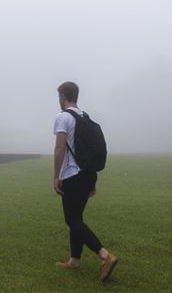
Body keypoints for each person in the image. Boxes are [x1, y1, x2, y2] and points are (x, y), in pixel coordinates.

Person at [53, 81, 118, 282]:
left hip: (73, 176)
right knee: (77, 218)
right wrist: (92, 181)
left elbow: (60, 148)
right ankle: (74, 260)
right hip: (89, 174)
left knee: (72, 220)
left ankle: (105, 256)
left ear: (63, 96)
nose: (58, 99)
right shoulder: (85, 117)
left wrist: (56, 176)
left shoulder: (63, 117)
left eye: (59, 96)